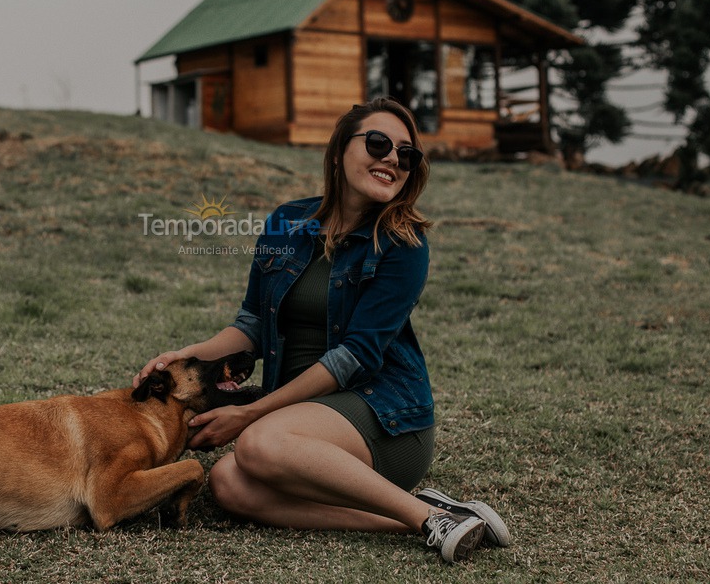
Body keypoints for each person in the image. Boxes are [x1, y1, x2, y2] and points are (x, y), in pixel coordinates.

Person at [135, 96, 511, 563]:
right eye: (377, 143)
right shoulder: (285, 222)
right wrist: (185, 355)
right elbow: (251, 324)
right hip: (300, 424)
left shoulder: (403, 243)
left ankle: (427, 521)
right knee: (228, 484)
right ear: (338, 152)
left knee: (259, 442)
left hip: (384, 420)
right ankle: (430, 513)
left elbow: (354, 356)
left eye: (406, 154)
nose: (392, 158)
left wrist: (252, 414)